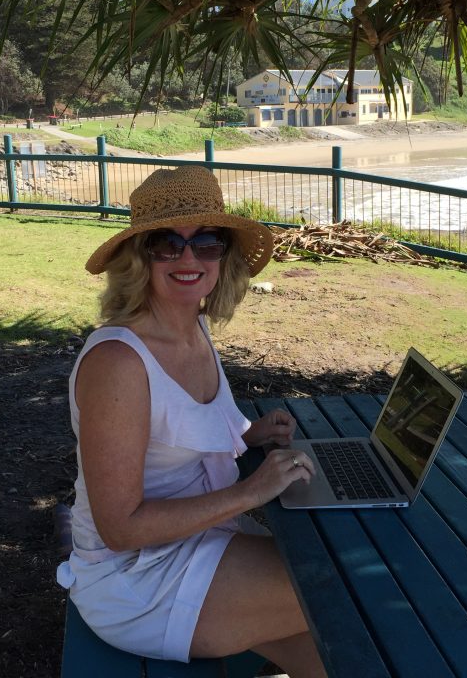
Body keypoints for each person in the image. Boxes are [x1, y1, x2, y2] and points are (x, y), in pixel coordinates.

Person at [57, 166, 326, 677]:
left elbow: (176, 438)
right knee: (342, 590)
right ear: (140, 258)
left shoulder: (192, 328)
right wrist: (251, 492)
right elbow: (120, 529)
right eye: (167, 244)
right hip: (136, 577)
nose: (188, 258)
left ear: (223, 257)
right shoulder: (119, 362)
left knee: (343, 652)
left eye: (206, 242)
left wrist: (249, 436)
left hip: (200, 538)